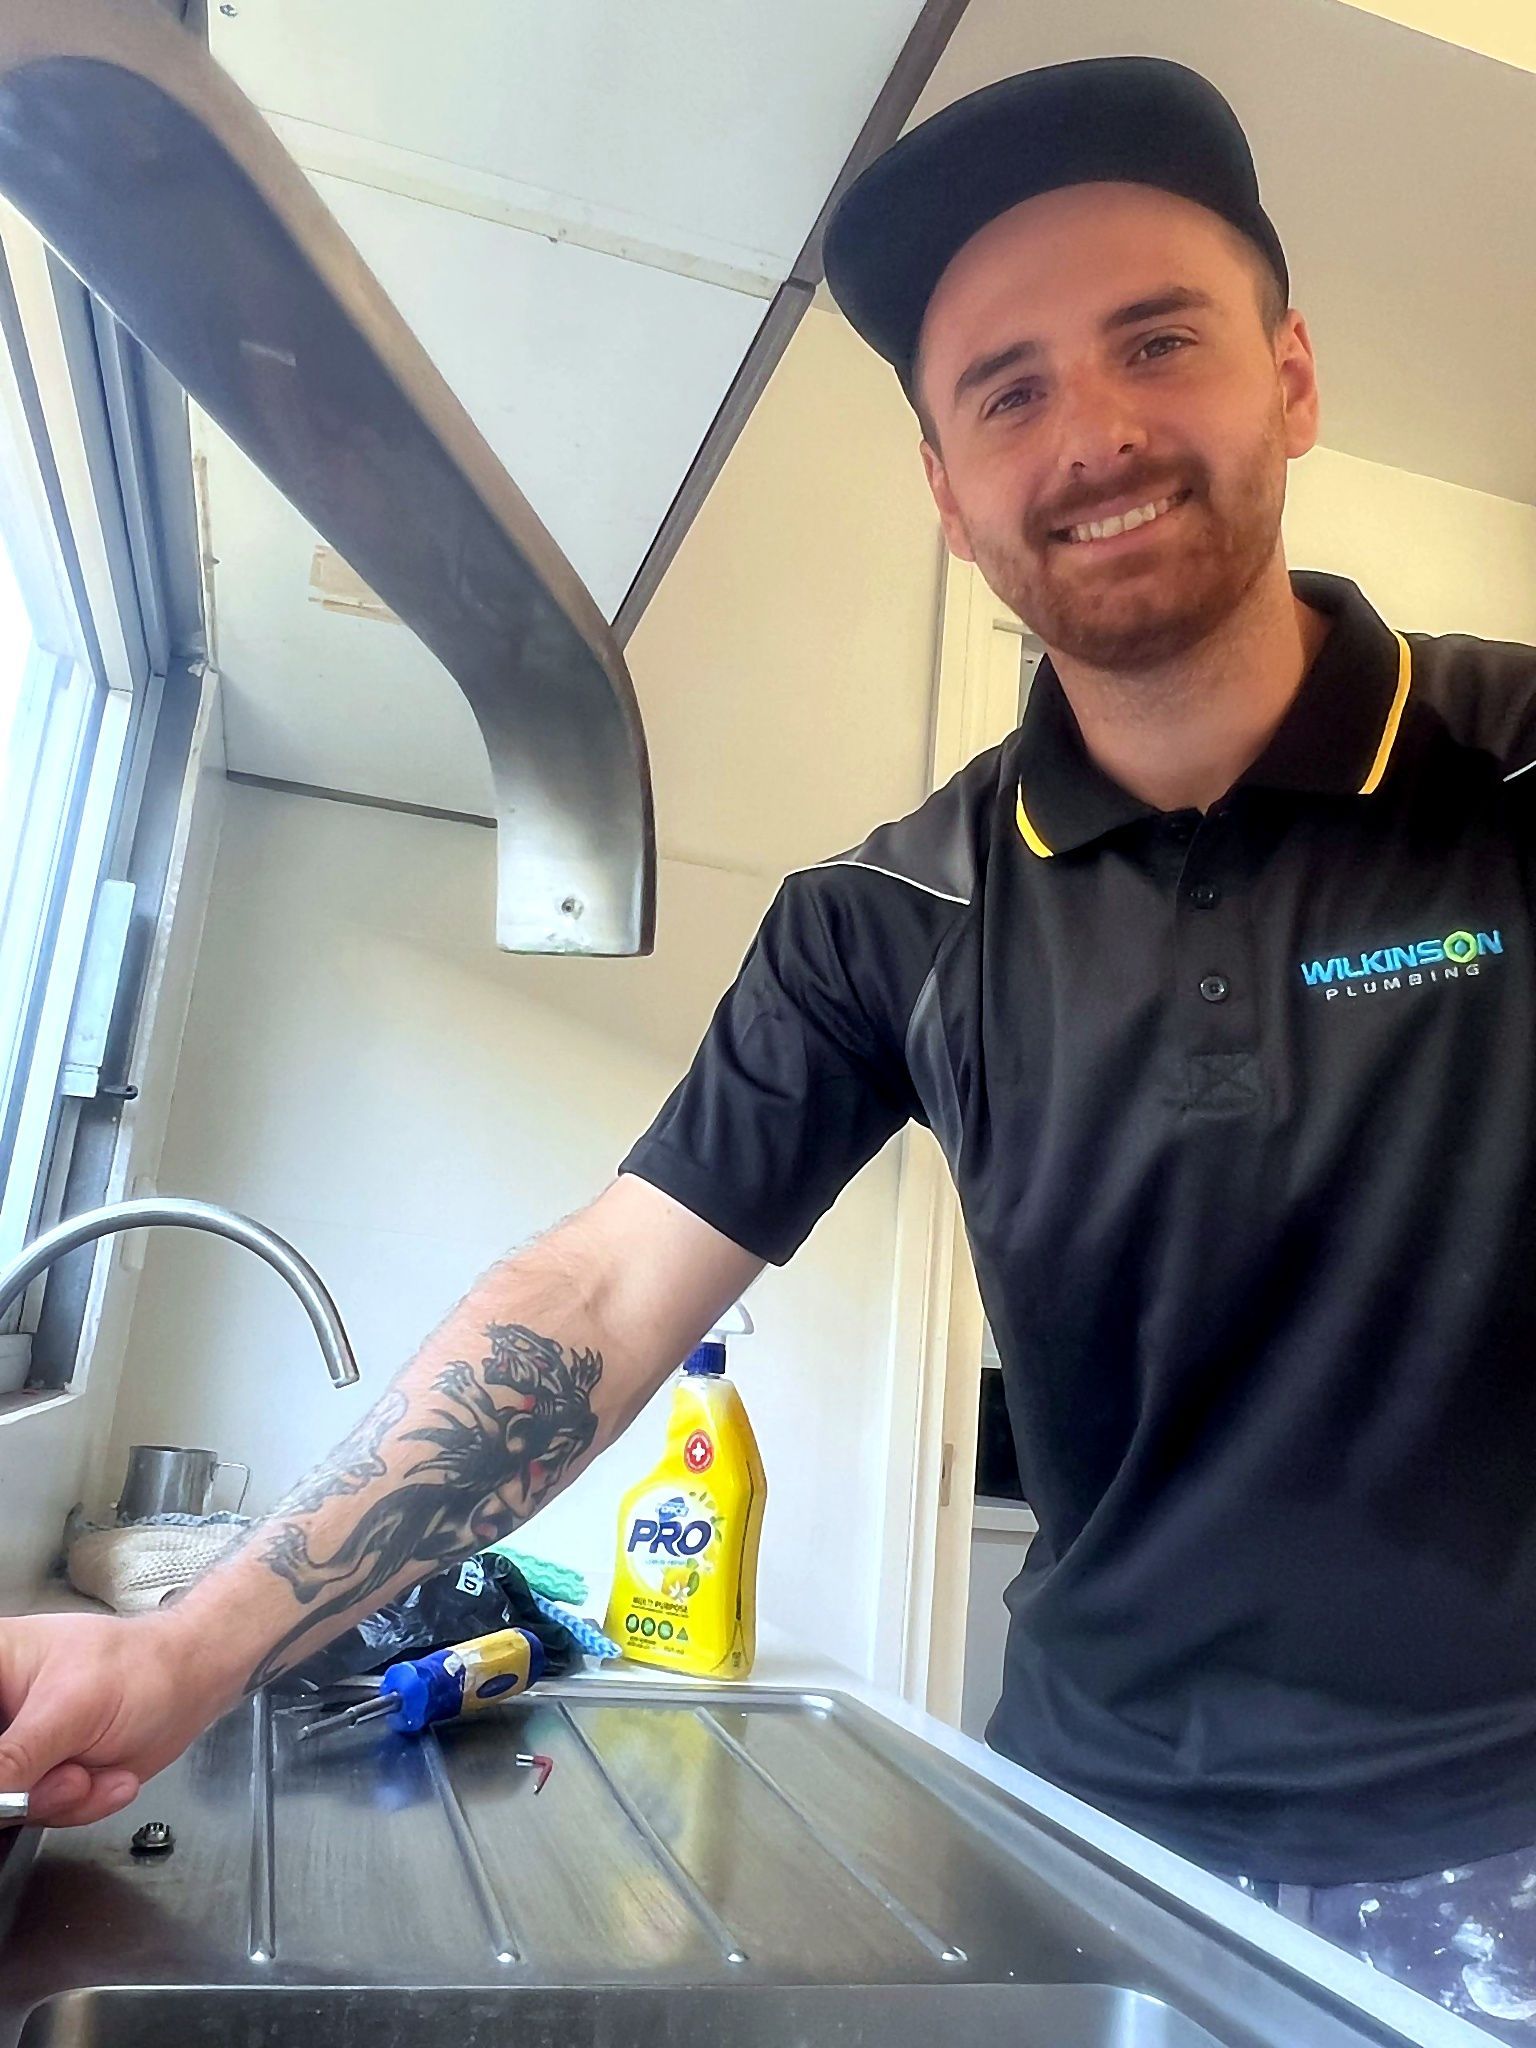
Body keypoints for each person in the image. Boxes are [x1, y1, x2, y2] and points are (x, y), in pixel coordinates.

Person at [4, 51, 1536, 2034]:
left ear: (1291, 376)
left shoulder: (1510, 769)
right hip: (1099, 1842)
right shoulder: (890, 916)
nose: (1097, 434)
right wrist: (188, 1653)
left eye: (1159, 340)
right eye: (1009, 388)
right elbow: (609, 1287)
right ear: (950, 483)